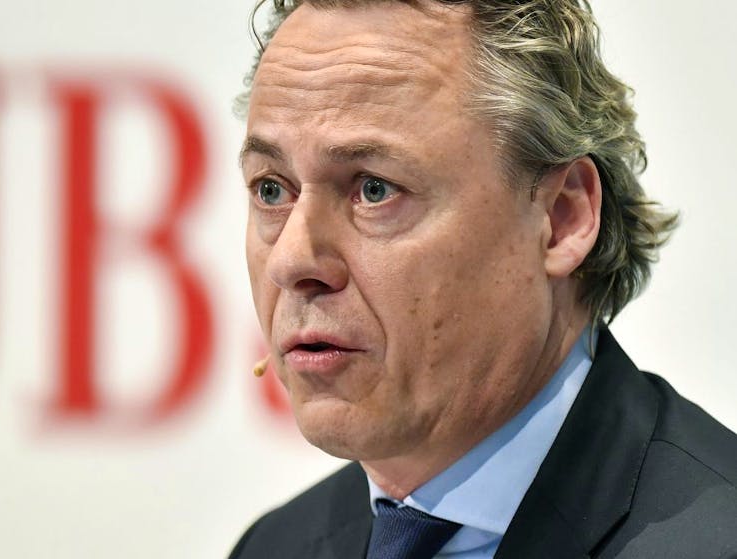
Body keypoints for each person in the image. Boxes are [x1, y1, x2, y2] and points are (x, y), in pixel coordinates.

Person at [229, 1, 737, 557]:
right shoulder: (275, 546)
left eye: (375, 189)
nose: (291, 262)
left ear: (561, 218)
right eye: (271, 189)